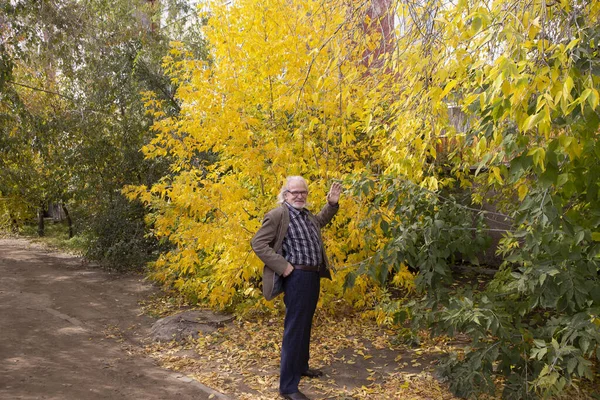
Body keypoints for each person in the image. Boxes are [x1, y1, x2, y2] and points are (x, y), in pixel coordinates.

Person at [251, 176, 342, 400]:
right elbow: (258, 243)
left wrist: (331, 204)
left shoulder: (306, 215)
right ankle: (288, 387)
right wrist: (283, 267)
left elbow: (320, 221)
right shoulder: (277, 215)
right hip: (297, 276)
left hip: (312, 275)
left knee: (305, 324)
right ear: (285, 194)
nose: (300, 196)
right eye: (295, 192)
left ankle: (301, 366)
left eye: (303, 192)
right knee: (295, 329)